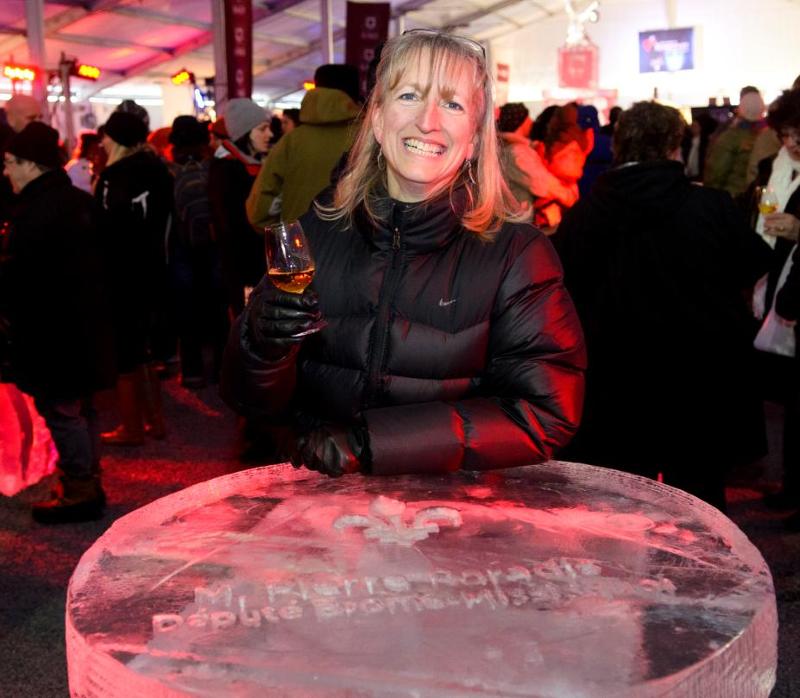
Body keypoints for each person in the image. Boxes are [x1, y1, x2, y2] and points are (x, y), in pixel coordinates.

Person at [221, 30, 586, 478]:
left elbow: (543, 414)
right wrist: (260, 344)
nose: (428, 121)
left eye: (452, 104)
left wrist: (371, 444)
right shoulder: (319, 229)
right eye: (410, 95)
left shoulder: (517, 254)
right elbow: (250, 401)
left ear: (474, 137)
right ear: (376, 118)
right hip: (324, 515)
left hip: (452, 518)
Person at [553, 101, 773, 511]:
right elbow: (756, 265)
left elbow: (561, 291)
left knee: (617, 506)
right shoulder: (711, 207)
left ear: (619, 144)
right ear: (675, 145)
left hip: (616, 381)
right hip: (699, 379)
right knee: (700, 507)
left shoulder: (586, 214)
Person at [0, 122, 115, 522]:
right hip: (85, 327)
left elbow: (23, 280)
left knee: (63, 411)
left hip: (53, 332)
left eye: (11, 162)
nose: (6, 171)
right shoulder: (77, 202)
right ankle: (85, 483)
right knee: (81, 410)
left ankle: (80, 493)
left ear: (32, 165)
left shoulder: (37, 212)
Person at [95, 111, 174, 445]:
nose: (101, 142)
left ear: (115, 139)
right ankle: (155, 422)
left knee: (126, 350)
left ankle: (131, 428)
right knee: (143, 348)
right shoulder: (159, 169)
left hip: (121, 271)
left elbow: (105, 228)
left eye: (106, 137)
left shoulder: (114, 176)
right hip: (154, 266)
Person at [743, 87, 800, 512]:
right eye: (786, 134)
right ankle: (791, 486)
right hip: (778, 281)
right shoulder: (772, 169)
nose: (792, 142)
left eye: (798, 134)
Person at [246, 64, 362, 227]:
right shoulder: (370, 136)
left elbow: (261, 209)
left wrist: (284, 233)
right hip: (358, 245)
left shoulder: (291, 141)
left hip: (301, 244)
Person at [209, 98, 271, 317]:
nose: (269, 134)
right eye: (262, 129)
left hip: (258, 265)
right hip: (244, 268)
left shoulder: (255, 164)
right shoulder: (227, 170)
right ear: (245, 134)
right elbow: (233, 227)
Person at [496, 102, 577, 221]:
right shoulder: (518, 153)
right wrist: (569, 195)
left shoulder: (507, 148)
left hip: (512, 218)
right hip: (520, 221)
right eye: (527, 117)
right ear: (521, 122)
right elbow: (542, 183)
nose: (531, 121)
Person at [704, 89, 767, 197]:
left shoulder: (731, 136)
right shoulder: (770, 136)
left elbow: (717, 171)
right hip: (758, 197)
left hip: (732, 197)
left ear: (740, 108)